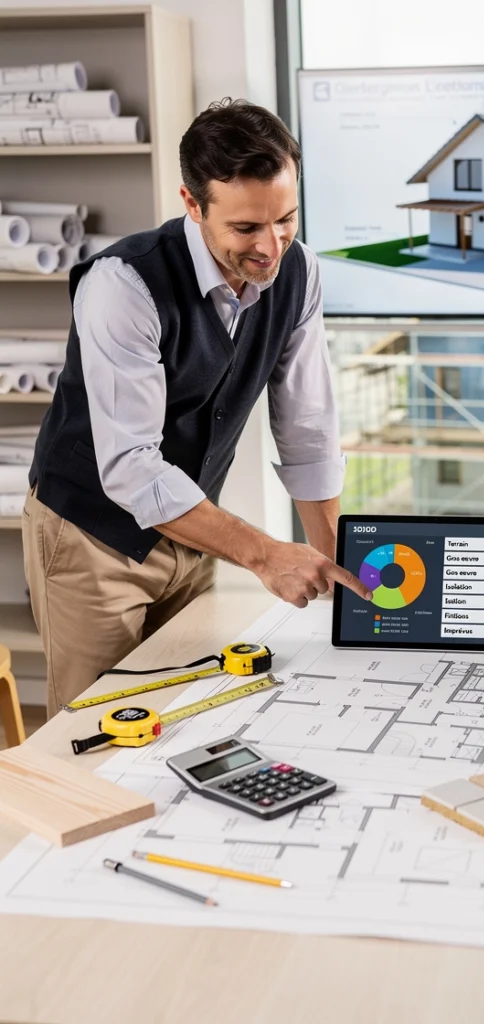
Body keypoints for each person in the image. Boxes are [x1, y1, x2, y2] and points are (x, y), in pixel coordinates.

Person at [22, 98, 371, 716]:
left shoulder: (300, 274)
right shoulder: (122, 284)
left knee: (189, 711)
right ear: (192, 203)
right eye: (245, 229)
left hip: (191, 528)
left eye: (285, 219)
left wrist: (335, 576)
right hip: (90, 535)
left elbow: (308, 427)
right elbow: (131, 466)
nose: (271, 247)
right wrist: (266, 554)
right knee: (98, 730)